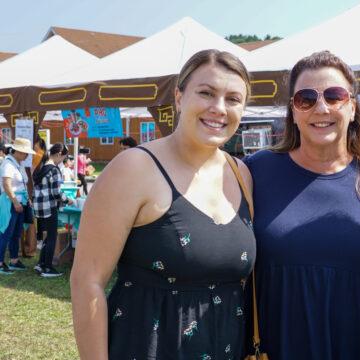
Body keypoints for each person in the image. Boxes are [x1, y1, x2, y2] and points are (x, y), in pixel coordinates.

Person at [70, 49, 255, 359]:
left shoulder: (241, 174)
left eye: (233, 99)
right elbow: (87, 281)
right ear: (180, 97)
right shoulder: (133, 168)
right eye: (206, 93)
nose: (219, 108)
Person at [244, 51, 360, 359]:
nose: (320, 108)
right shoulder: (254, 172)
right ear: (293, 112)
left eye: (334, 96)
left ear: (352, 108)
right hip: (277, 346)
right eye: (306, 98)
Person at [32, 143, 73, 278]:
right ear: (59, 154)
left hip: (39, 207)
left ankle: (41, 264)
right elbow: (56, 193)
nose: (62, 161)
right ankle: (47, 268)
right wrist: (68, 200)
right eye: (63, 158)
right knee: (51, 237)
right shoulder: (54, 170)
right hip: (49, 206)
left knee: (46, 236)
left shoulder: (42, 167)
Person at [0, 138, 36, 274]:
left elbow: (22, 184)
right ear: (19, 151)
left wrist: (26, 200)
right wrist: (15, 201)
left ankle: (14, 260)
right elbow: (6, 185)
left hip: (20, 202)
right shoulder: (8, 164)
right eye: (25, 153)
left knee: (16, 234)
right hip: (10, 203)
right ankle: (0, 263)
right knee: (5, 233)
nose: (27, 156)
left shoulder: (17, 164)